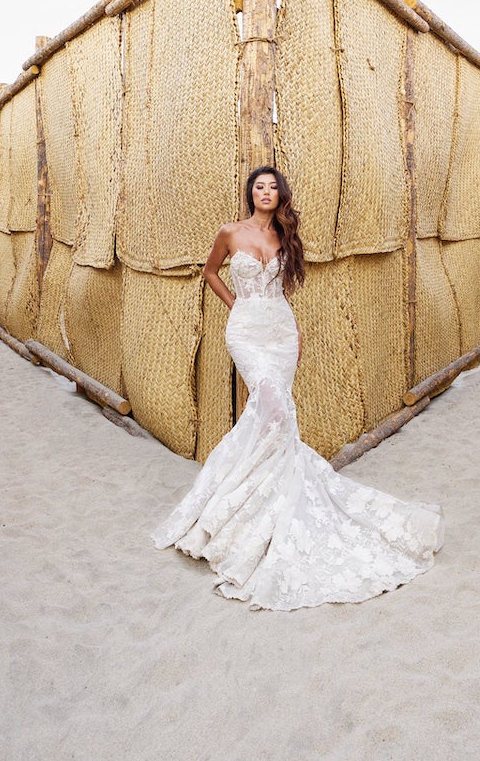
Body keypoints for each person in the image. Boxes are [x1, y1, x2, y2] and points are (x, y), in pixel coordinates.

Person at [152, 165, 443, 610]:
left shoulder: (285, 237)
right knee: (272, 407)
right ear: (250, 193)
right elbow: (210, 273)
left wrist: (295, 332)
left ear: (280, 195)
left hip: (282, 331)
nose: (265, 192)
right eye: (258, 186)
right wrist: (237, 306)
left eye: (272, 187)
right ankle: (236, 501)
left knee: (275, 414)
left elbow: (283, 291)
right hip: (247, 332)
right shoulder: (230, 232)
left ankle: (267, 494)